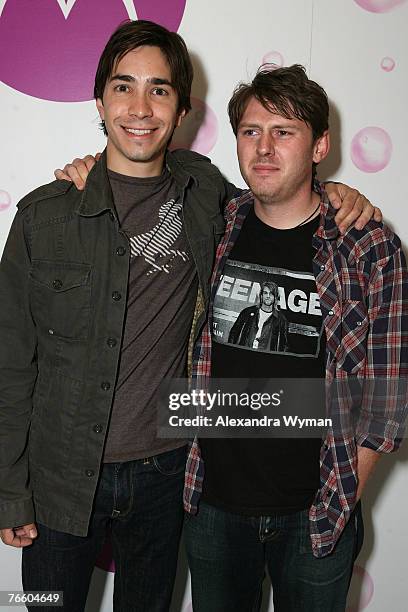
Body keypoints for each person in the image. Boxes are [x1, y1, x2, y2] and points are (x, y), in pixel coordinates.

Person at [0, 19, 381, 612]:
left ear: (180, 111)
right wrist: (9, 492)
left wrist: (337, 191)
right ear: (100, 101)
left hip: (167, 478)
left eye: (160, 90)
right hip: (59, 483)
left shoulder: (203, 196)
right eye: (124, 87)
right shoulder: (46, 216)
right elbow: (10, 365)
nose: (140, 107)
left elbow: (283, 195)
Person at [182, 65, 408, 611]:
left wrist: (340, 498)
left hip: (315, 515)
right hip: (213, 505)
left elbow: (387, 402)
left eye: (284, 132)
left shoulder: (369, 246)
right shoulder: (216, 222)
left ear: (320, 145)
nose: (264, 147)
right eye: (251, 131)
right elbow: (146, 174)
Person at [228, 280, 289, 351]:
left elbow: (284, 345)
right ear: (261, 295)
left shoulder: (281, 319)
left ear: (275, 297)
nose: (268, 296)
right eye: (265, 293)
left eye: (271, 294)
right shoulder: (247, 312)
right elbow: (233, 334)